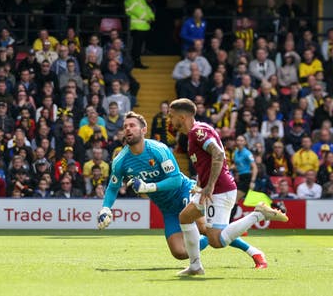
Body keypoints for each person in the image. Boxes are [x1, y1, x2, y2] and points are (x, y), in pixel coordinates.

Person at [97, 111, 265, 268]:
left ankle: (254, 252)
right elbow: (113, 187)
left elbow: (176, 180)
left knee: (205, 229)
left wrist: (149, 187)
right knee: (179, 252)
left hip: (184, 192)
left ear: (144, 130)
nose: (128, 129)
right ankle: (225, 234)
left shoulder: (158, 150)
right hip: (167, 208)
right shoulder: (120, 161)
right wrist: (105, 208)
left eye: (132, 125)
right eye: (125, 126)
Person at [168, 98, 288, 276]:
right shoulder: (197, 131)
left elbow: (218, 153)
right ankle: (195, 266)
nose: (170, 120)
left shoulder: (197, 132)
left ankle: (258, 214)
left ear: (182, 116)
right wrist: (201, 185)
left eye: (172, 116)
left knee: (216, 241)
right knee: (185, 217)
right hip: (210, 189)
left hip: (220, 190)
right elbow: (206, 163)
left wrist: (209, 186)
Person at [124, 0, 154, 69]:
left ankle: (137, 61)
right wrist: (147, 18)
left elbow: (147, 9)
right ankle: (136, 62)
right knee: (136, 45)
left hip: (143, 26)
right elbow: (136, 10)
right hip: (136, 25)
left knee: (139, 45)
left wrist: (151, 17)